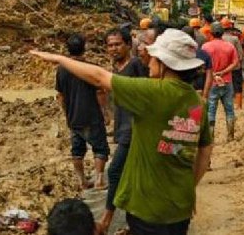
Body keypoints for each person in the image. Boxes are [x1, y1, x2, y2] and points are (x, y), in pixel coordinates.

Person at [31, 29, 214, 235]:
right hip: (181, 206)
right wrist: (189, 188)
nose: (148, 61)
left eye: (153, 57)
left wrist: (58, 58)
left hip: (148, 208)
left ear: (165, 63)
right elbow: (205, 148)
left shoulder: (153, 93)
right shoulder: (196, 101)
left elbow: (100, 78)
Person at [97, 28, 148, 234]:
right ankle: (134, 222)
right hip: (123, 126)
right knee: (132, 175)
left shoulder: (135, 65)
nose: (114, 49)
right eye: (110, 45)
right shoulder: (116, 67)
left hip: (134, 128)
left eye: (118, 44)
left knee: (115, 170)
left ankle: (107, 219)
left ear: (128, 44)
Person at [55, 34, 109, 193]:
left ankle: (82, 181)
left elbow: (61, 96)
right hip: (92, 116)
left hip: (74, 118)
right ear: (84, 48)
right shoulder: (91, 68)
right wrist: (105, 112)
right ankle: (99, 179)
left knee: (77, 151)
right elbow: (100, 93)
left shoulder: (61, 69)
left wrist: (67, 113)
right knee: (100, 148)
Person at [201, 22, 240, 141]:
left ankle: (211, 137)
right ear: (222, 33)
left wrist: (213, 74)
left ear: (211, 33)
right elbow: (235, 63)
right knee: (229, 109)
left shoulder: (206, 47)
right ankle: (230, 136)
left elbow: (202, 65)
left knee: (211, 109)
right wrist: (223, 72)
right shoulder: (229, 46)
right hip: (227, 81)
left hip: (212, 82)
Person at [221, 17, 244, 109]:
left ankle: (226, 106)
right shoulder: (235, 39)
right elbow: (240, 54)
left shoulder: (218, 39)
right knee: (237, 86)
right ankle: (238, 106)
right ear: (230, 27)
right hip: (235, 67)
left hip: (222, 68)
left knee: (222, 86)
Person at [181, 26, 213, 96]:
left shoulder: (176, 54)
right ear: (194, 38)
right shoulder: (204, 54)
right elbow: (209, 76)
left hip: (181, 92)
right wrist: (205, 94)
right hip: (198, 92)